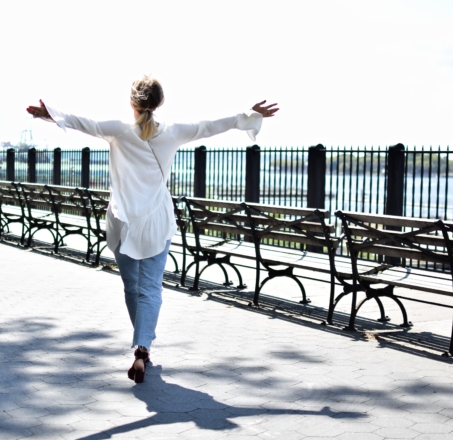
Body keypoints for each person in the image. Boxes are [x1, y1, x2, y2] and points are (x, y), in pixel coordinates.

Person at [27, 76, 278, 383]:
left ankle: (143, 346)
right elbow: (211, 126)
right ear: (159, 104)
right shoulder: (172, 133)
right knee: (151, 289)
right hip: (157, 222)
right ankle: (142, 347)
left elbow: (84, 123)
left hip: (123, 222)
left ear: (132, 103)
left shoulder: (119, 131)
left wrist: (48, 114)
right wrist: (249, 116)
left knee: (131, 287)